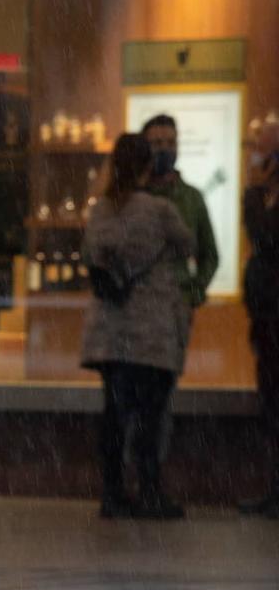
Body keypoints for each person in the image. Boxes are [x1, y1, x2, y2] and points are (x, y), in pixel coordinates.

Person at [81, 134, 194, 520]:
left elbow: (92, 254)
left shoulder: (99, 210)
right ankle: (150, 490)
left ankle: (112, 493)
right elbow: (188, 244)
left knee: (114, 413)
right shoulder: (160, 210)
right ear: (149, 166)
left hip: (110, 330)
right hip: (151, 329)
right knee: (149, 414)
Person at [240, 122, 279, 517]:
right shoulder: (260, 197)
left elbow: (265, 237)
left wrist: (253, 191)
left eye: (262, 149)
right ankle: (274, 488)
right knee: (271, 406)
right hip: (267, 319)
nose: (254, 154)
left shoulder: (259, 199)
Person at [142, 114, 219, 308]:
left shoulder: (192, 197)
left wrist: (194, 292)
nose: (165, 149)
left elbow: (209, 253)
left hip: (177, 301)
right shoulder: (132, 196)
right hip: (138, 303)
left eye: (171, 142)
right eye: (157, 143)